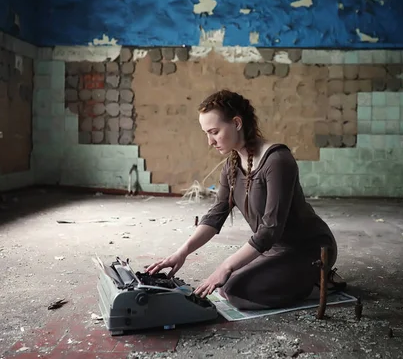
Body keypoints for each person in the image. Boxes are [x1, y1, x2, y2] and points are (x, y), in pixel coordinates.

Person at [146, 90, 341, 310]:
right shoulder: (231, 165)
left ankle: (320, 283)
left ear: (237, 123)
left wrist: (225, 266)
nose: (209, 141)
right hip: (273, 249)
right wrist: (181, 252)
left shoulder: (278, 160)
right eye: (206, 133)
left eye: (214, 132)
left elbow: (270, 230)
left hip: (308, 248)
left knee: (235, 291)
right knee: (223, 286)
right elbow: (216, 216)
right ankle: (294, 279)